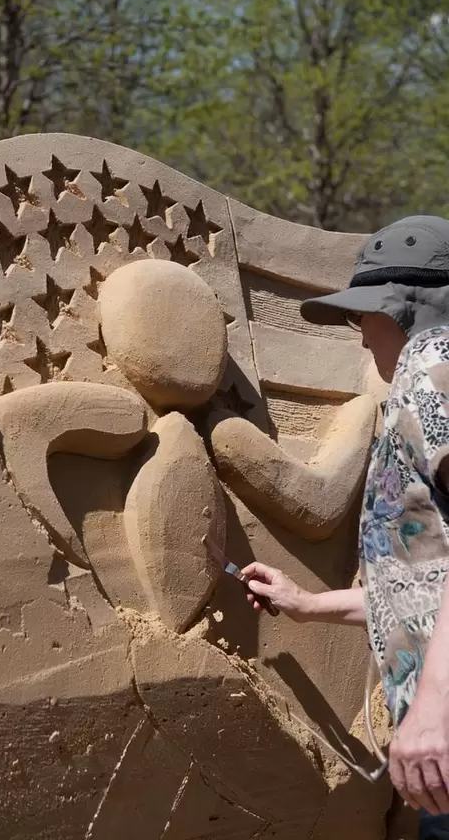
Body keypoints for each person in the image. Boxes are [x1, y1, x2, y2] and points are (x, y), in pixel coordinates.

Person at [242, 215, 449, 840]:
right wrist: (308, 605)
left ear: (408, 307)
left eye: (365, 318)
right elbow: (429, 584)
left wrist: (435, 708)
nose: (361, 339)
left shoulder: (434, 365)